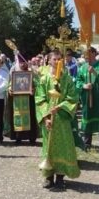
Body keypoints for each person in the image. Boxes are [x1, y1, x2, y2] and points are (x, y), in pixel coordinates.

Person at [35, 50, 80, 190]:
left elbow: (73, 98)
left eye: (60, 59)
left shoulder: (66, 79)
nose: (57, 61)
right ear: (49, 61)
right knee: (48, 147)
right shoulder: (44, 79)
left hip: (62, 119)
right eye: (54, 59)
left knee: (63, 147)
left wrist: (60, 107)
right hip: (48, 120)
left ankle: (60, 177)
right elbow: (39, 99)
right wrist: (46, 117)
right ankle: (48, 177)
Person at [76, 47, 99, 155]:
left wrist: (95, 72)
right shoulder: (82, 67)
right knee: (88, 117)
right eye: (85, 54)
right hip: (87, 98)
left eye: (88, 53)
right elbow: (78, 81)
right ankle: (87, 144)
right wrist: (84, 85)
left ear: (93, 53)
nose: (86, 56)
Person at [7, 54, 38, 145]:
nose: (22, 65)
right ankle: (18, 137)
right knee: (18, 117)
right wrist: (10, 90)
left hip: (29, 99)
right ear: (18, 63)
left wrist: (34, 89)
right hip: (17, 100)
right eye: (21, 63)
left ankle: (31, 137)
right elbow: (10, 84)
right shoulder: (15, 72)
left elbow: (37, 83)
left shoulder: (31, 72)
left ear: (26, 63)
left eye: (24, 63)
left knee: (31, 117)